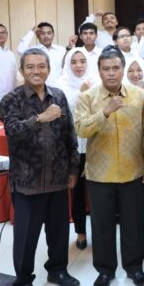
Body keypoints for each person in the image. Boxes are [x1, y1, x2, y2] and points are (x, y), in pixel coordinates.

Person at [0, 48, 80, 286]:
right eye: (31, 67)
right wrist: (40, 118)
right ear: (22, 71)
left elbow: (70, 135)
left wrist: (73, 169)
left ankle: (57, 270)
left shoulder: (59, 96)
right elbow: (12, 131)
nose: (37, 71)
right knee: (26, 236)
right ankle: (23, 281)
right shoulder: (12, 99)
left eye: (41, 66)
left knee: (58, 231)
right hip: (27, 181)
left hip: (57, 177)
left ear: (49, 69)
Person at [74, 47, 144, 286]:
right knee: (102, 225)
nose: (111, 73)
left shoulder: (139, 95)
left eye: (116, 68)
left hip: (133, 171)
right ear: (99, 70)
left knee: (133, 223)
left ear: (123, 68)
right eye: (106, 69)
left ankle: (134, 267)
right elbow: (81, 129)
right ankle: (105, 270)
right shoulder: (87, 98)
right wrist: (104, 113)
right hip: (100, 174)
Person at [58, 49, 93, 250]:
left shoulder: (95, 81)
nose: (79, 66)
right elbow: (64, 113)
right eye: (74, 62)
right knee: (77, 191)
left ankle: (99, 230)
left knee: (97, 192)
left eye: (82, 61)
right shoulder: (61, 85)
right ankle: (80, 232)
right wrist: (80, 92)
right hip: (72, 147)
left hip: (93, 145)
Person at [16, 22, 67, 87]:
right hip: (39, 89)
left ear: (53, 35)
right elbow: (20, 50)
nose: (46, 36)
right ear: (37, 35)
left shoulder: (61, 49)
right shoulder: (33, 50)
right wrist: (32, 32)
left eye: (49, 33)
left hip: (59, 89)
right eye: (43, 33)